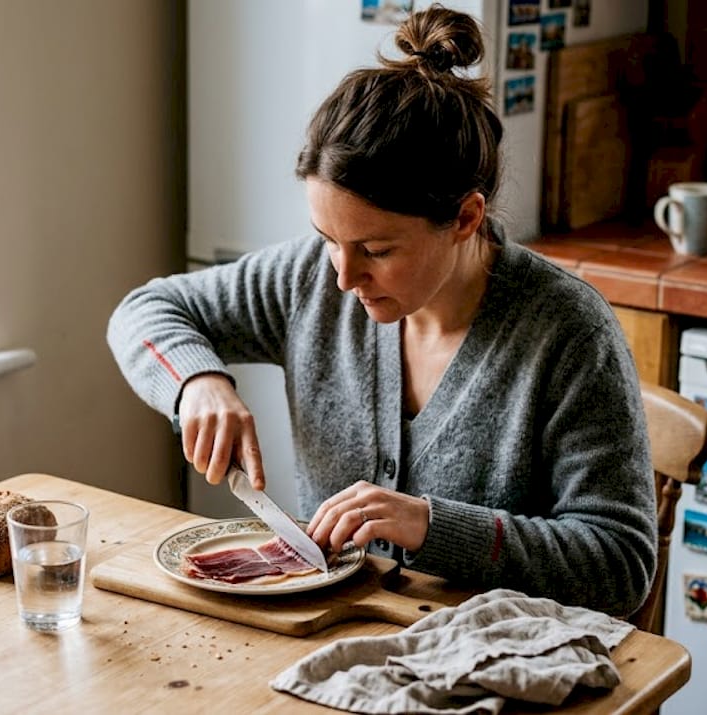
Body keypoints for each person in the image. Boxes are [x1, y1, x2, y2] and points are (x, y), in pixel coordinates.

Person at [107, 5, 656, 616]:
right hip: (336, 648)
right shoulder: (308, 280)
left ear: (466, 218)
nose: (343, 277)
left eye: (376, 249)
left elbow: (619, 565)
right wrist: (196, 383)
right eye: (326, 238)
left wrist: (429, 525)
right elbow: (148, 309)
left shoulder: (568, 333)